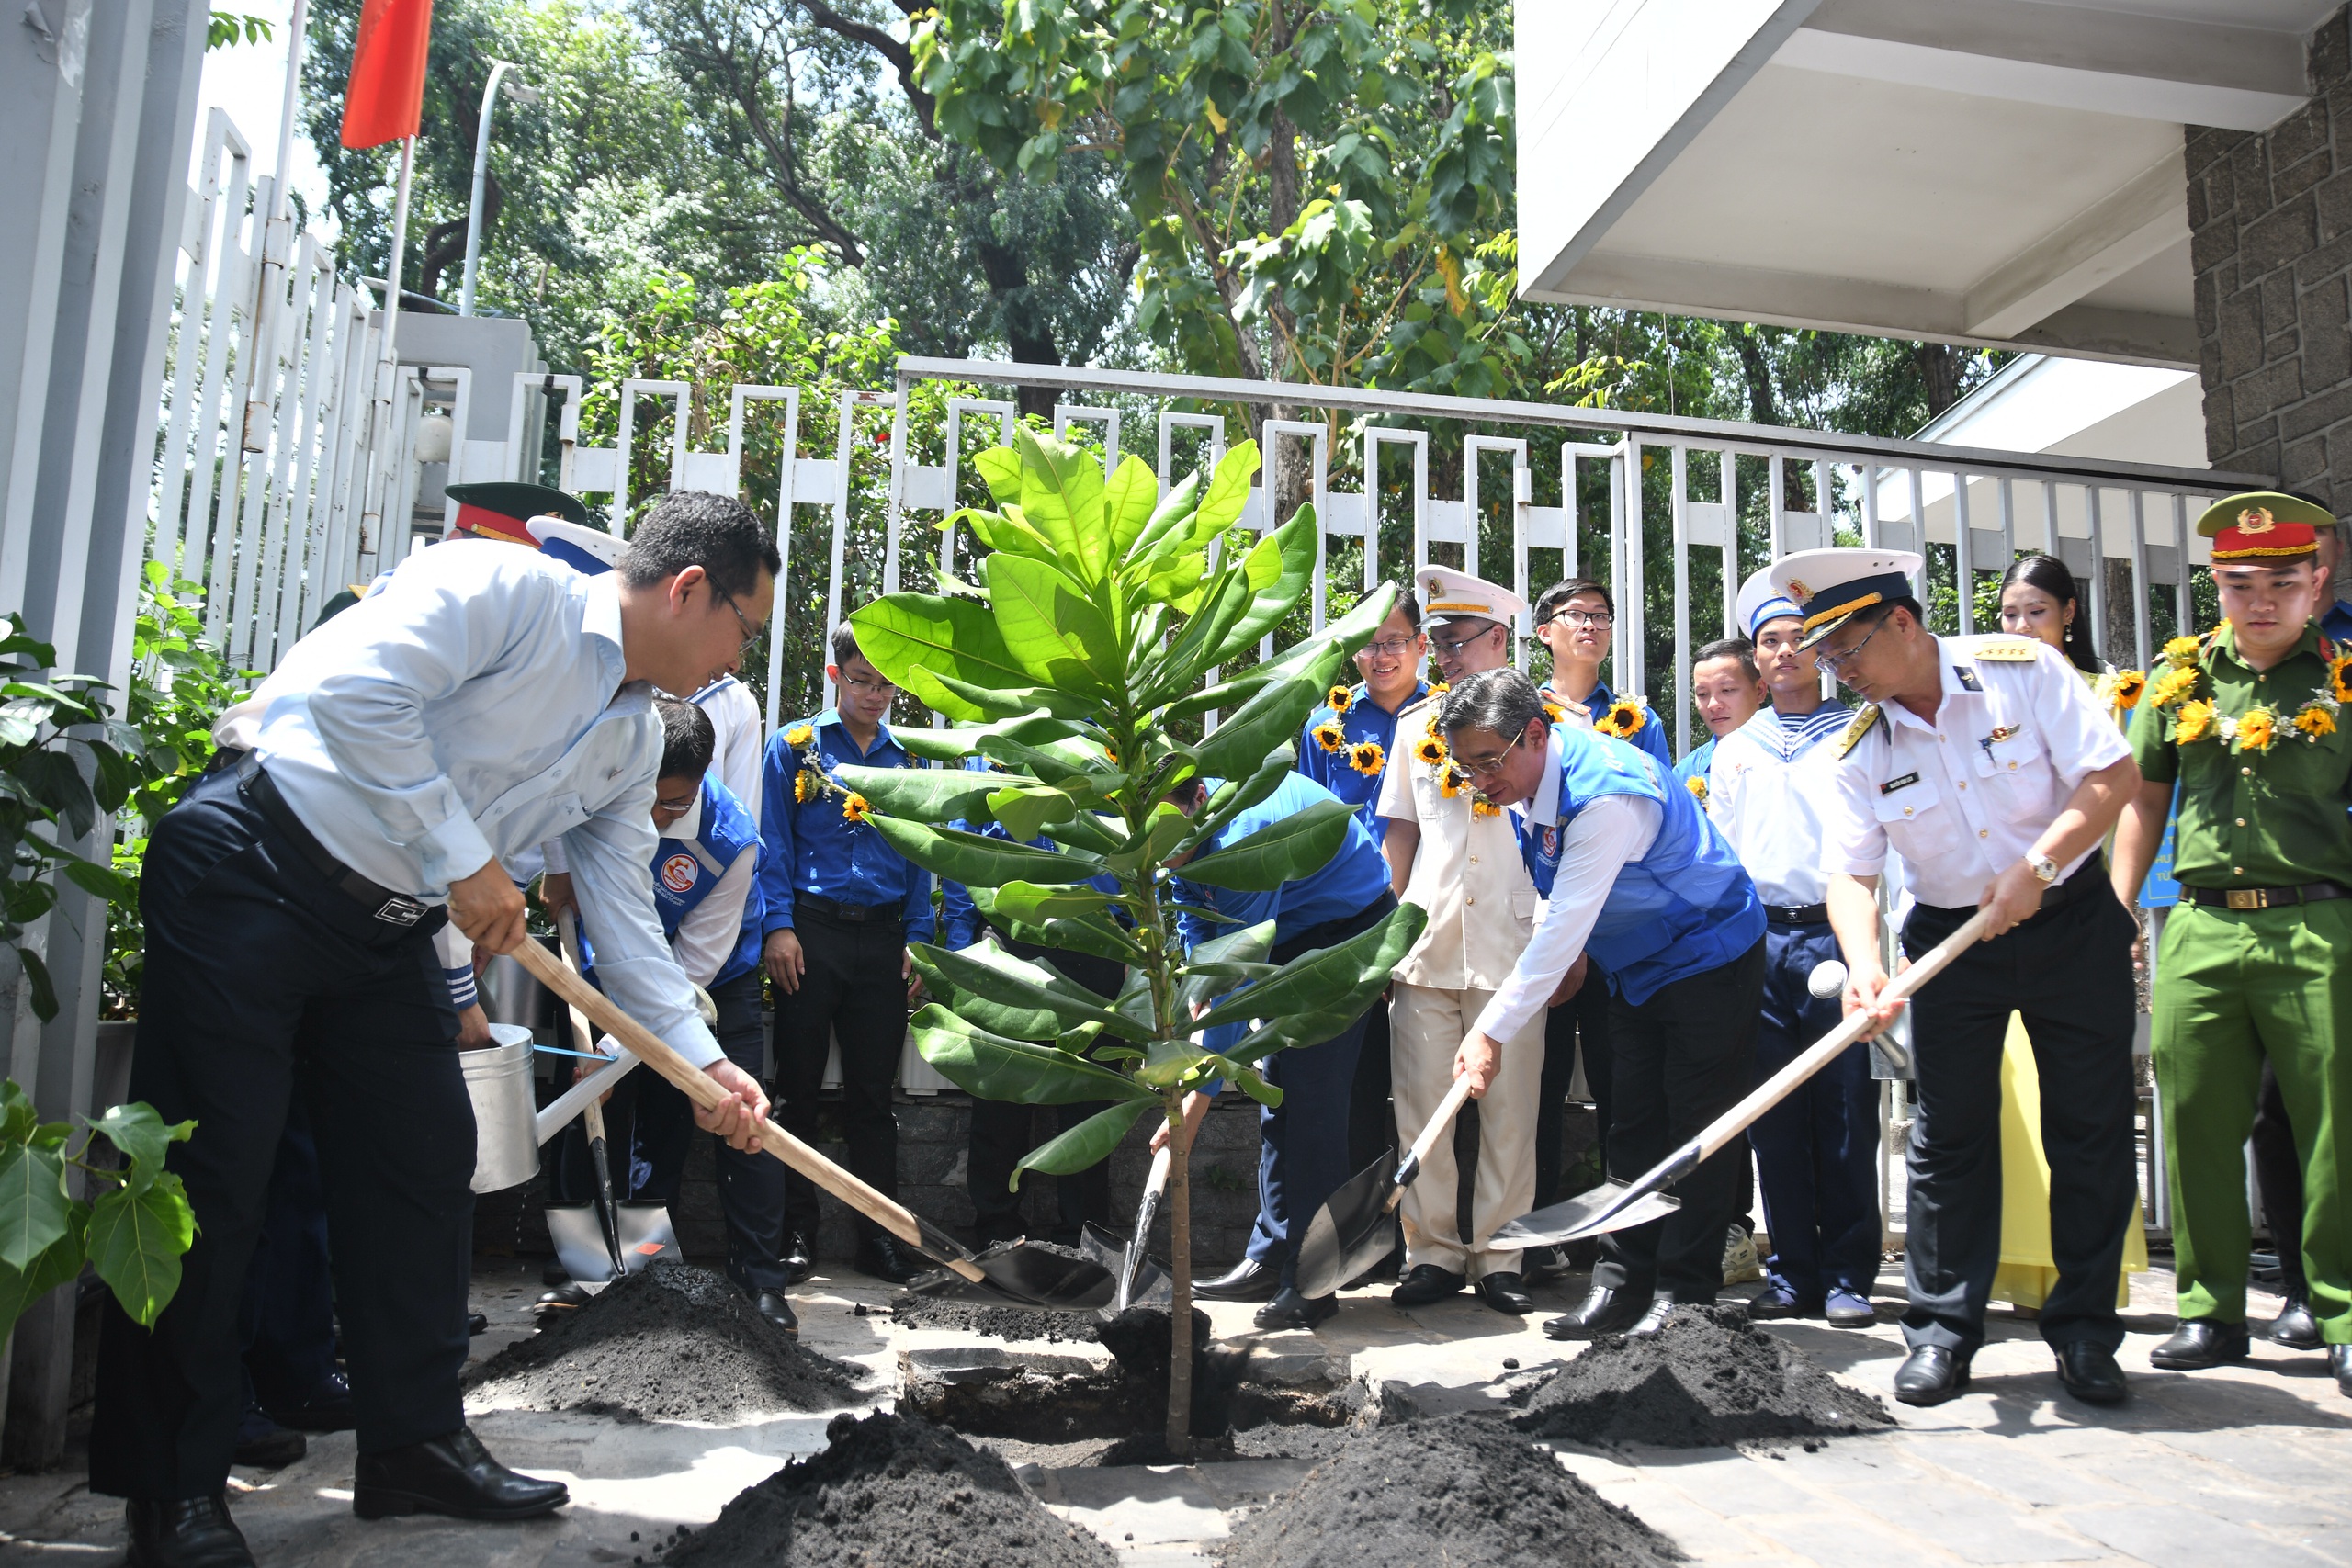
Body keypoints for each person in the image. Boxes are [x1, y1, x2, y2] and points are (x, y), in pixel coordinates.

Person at [94, 490, 777, 1567]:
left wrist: (704, 1065)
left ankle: (411, 1445)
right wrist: (466, 856)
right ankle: (170, 1490)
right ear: (690, 590)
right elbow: (353, 694)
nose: (735, 664)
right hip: (259, 867)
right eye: (744, 629)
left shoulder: (634, 739)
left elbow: (629, 930)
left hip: (388, 930)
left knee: (421, 1164)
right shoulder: (503, 589)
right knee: (215, 1179)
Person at [1786, 547, 2143, 1408]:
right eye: (1824, 658)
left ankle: (2087, 1331)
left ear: (1901, 622)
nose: (1836, 673)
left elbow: (2113, 775)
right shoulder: (1857, 748)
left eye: (1846, 652)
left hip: (2070, 918)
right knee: (1949, 1142)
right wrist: (1869, 967)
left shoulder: (2025, 674)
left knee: (2089, 1128)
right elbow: (1851, 875)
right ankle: (1943, 1331)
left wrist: (2042, 869)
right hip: (1952, 938)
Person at [1436, 668, 1766, 1341]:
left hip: (1708, 955)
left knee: (1694, 1130)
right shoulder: (1526, 778)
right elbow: (1563, 893)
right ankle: (1620, 1284)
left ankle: (1684, 1294)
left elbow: (1559, 930)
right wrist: (1578, 952)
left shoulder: (1606, 795)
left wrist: (1489, 1032)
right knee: (1632, 1124)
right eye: (1464, 765)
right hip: (1635, 965)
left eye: (1487, 762)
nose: (1478, 780)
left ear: (1535, 734)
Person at [2110, 492, 2352, 1393]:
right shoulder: (2179, 679)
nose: (2259, 602)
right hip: (2203, 925)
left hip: (2316, 919)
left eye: (2281, 583)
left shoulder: (2342, 679)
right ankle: (2209, 1310)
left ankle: (2339, 1307)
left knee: (2334, 1125)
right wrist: (2116, 907)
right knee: (2195, 1120)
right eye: (2239, 583)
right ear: (2215, 581)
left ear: (2315, 580)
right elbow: (2142, 798)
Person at [1159, 771, 1399, 1330]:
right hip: (1289, 927)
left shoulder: (1247, 835)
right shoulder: (1174, 841)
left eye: (1175, 839)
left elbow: (1238, 975)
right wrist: (1197, 1003)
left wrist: (1194, 1105)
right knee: (1279, 1095)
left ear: (1202, 798)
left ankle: (1314, 1280)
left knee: (1313, 1101)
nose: (1168, 854)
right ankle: (1272, 1256)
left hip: (1349, 931)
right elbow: (1206, 937)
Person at [1366, 567, 1545, 1316]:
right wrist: (1386, 935)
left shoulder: (1549, 722)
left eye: (1455, 641)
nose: (1441, 654)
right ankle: (1431, 1250)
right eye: (1434, 641)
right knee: (1423, 1109)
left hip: (1515, 944)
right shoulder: (1415, 726)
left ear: (1500, 638)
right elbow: (1399, 832)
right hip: (1429, 943)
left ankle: (1502, 1254)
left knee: (1510, 1114)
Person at [588, 697, 795, 1335]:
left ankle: (759, 1278)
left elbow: (688, 971)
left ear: (704, 777)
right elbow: (605, 918)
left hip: (712, 980)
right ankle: (614, 1270)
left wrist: (621, 1037)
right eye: (646, 797)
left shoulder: (731, 843)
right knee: (625, 1114)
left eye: (671, 805)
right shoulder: (610, 795)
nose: (653, 816)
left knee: (741, 1117)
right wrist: (607, 1036)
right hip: (615, 974)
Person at [1703, 573, 1875, 1327]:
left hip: (1836, 934)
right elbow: (1727, 856)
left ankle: (1847, 1273)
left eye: (1798, 637)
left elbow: (1881, 854)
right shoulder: (1737, 748)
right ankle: (1791, 1269)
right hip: (1762, 938)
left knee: (1843, 1112)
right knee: (1774, 1112)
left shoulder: (1861, 731)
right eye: (1770, 641)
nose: (1784, 651)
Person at [1989, 554, 2151, 1318]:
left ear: (2070, 613)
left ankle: (2088, 1288)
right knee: (2011, 1106)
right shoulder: (1985, 701)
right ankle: (2017, 1269)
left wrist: (2121, 909)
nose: (2021, 629)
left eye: (2036, 613)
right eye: (2009, 615)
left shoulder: (2107, 693)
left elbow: (2130, 807)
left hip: (2082, 921)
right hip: (2001, 926)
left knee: (2084, 1112)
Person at [761, 624, 934, 1286]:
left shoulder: (909, 758)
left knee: (873, 1096)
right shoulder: (798, 747)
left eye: (887, 683)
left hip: (883, 939)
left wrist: (917, 937)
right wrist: (778, 925)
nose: (876, 695)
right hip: (810, 933)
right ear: (835, 678)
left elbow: (922, 852)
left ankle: (880, 1237)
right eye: (862, 680)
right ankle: (794, 1233)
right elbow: (773, 842)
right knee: (795, 1089)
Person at [1529, 577, 1668, 1280]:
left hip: (1620, 941)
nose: (1590, 625)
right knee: (1540, 1088)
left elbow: (1662, 820)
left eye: (1602, 615)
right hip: (1549, 930)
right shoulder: (1525, 714)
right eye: (1574, 615)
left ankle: (1624, 1248)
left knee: (1626, 1091)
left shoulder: (1637, 719)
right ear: (1544, 630)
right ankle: (1535, 1242)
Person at [940, 759, 1120, 1248]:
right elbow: (963, 859)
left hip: (1090, 939)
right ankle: (997, 1230)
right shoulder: (984, 762)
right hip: (1005, 946)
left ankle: (1083, 1238)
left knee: (1086, 1096)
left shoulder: (1091, 750)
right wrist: (964, 953)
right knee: (1000, 1091)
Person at [1296, 590, 1429, 1252]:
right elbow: (1306, 826)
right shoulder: (1328, 724)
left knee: (1422, 1085)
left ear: (1420, 647)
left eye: (1395, 641)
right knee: (1349, 1088)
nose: (1380, 656)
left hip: (1431, 924)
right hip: (1344, 929)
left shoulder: (1444, 717)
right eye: (1369, 643)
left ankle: (1420, 1240)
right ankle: (1351, 1242)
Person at [1676, 637, 1767, 799]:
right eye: (1703, 694)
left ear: (1760, 690)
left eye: (1727, 690)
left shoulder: (1789, 758)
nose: (1713, 704)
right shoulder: (1686, 773)